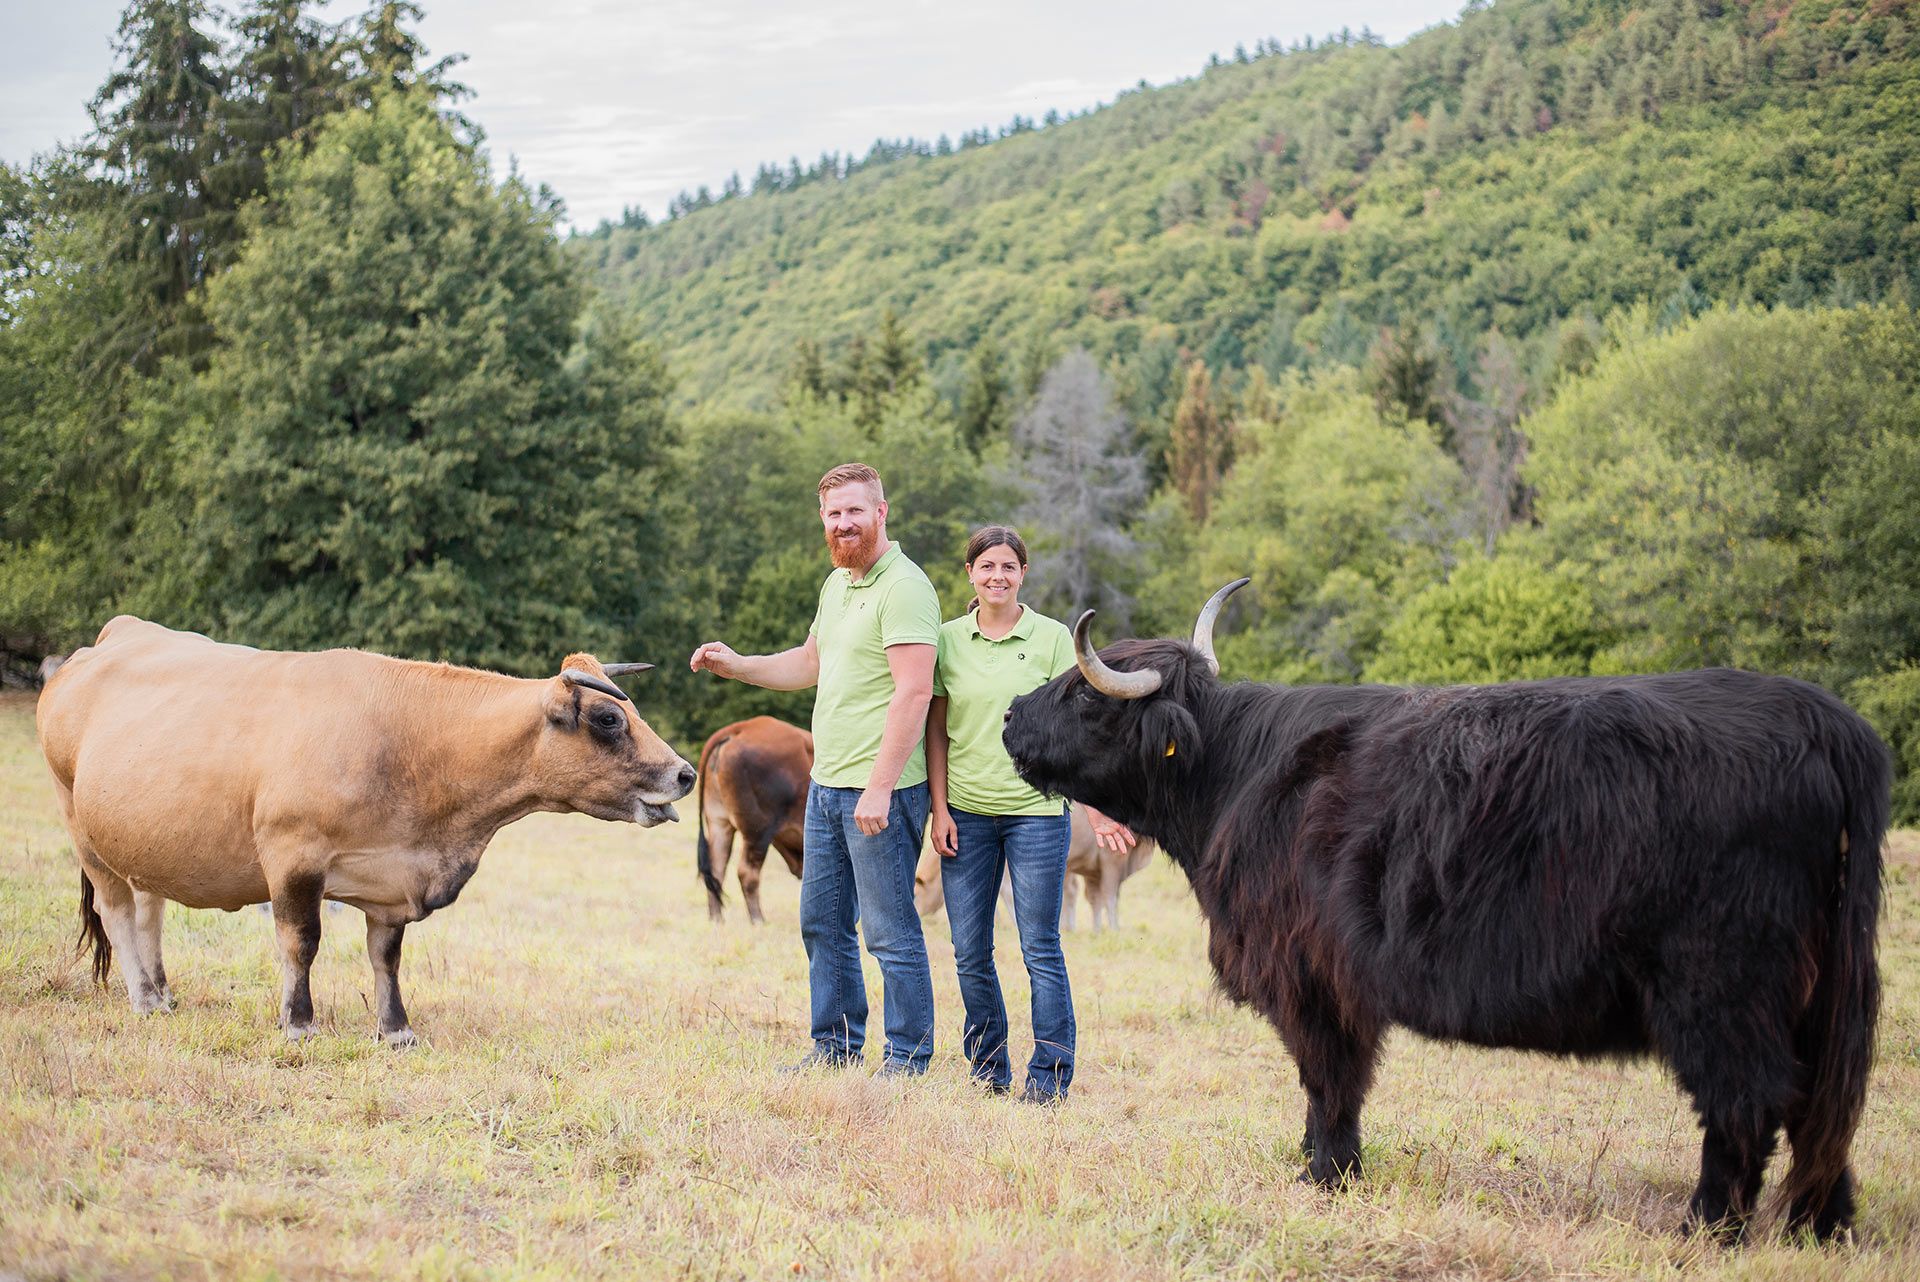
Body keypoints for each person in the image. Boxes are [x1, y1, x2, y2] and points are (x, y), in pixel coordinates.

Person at [690, 463, 941, 1076]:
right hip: (826, 786)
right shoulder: (838, 585)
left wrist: (881, 786)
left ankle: (907, 1059)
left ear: (882, 512)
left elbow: (914, 693)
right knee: (822, 923)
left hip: (879, 790)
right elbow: (809, 662)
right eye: (833, 514)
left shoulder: (904, 587)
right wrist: (738, 666)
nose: (843, 523)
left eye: (855, 511)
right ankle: (834, 1047)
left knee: (887, 929)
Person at [925, 525, 1134, 1104]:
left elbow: (1076, 735)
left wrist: (1096, 807)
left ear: (1023, 574)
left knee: (1040, 946)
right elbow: (936, 732)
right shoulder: (947, 639)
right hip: (965, 815)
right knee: (969, 950)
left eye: (1008, 567)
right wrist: (939, 810)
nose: (997, 576)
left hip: (1038, 815)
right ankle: (989, 1068)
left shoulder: (1050, 638)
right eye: (986, 566)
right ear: (970, 573)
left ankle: (1049, 1079)